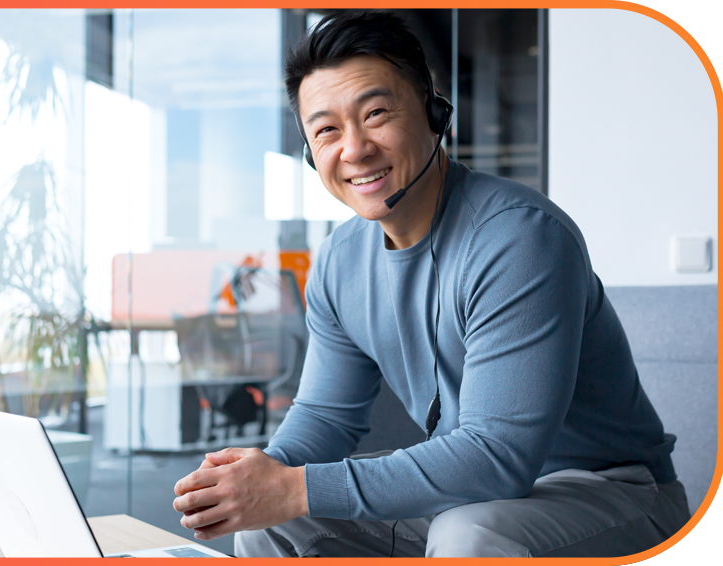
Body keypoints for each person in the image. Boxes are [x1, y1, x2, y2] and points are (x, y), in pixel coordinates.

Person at [173, 11, 692, 561]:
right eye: (326, 129)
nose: (354, 149)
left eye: (376, 114)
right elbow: (325, 417)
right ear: (310, 152)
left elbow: (497, 456)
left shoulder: (519, 238)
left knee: (470, 535)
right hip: (470, 503)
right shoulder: (338, 263)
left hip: (615, 495)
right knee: (270, 528)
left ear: (434, 111)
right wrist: (262, 478)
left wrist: (293, 489)